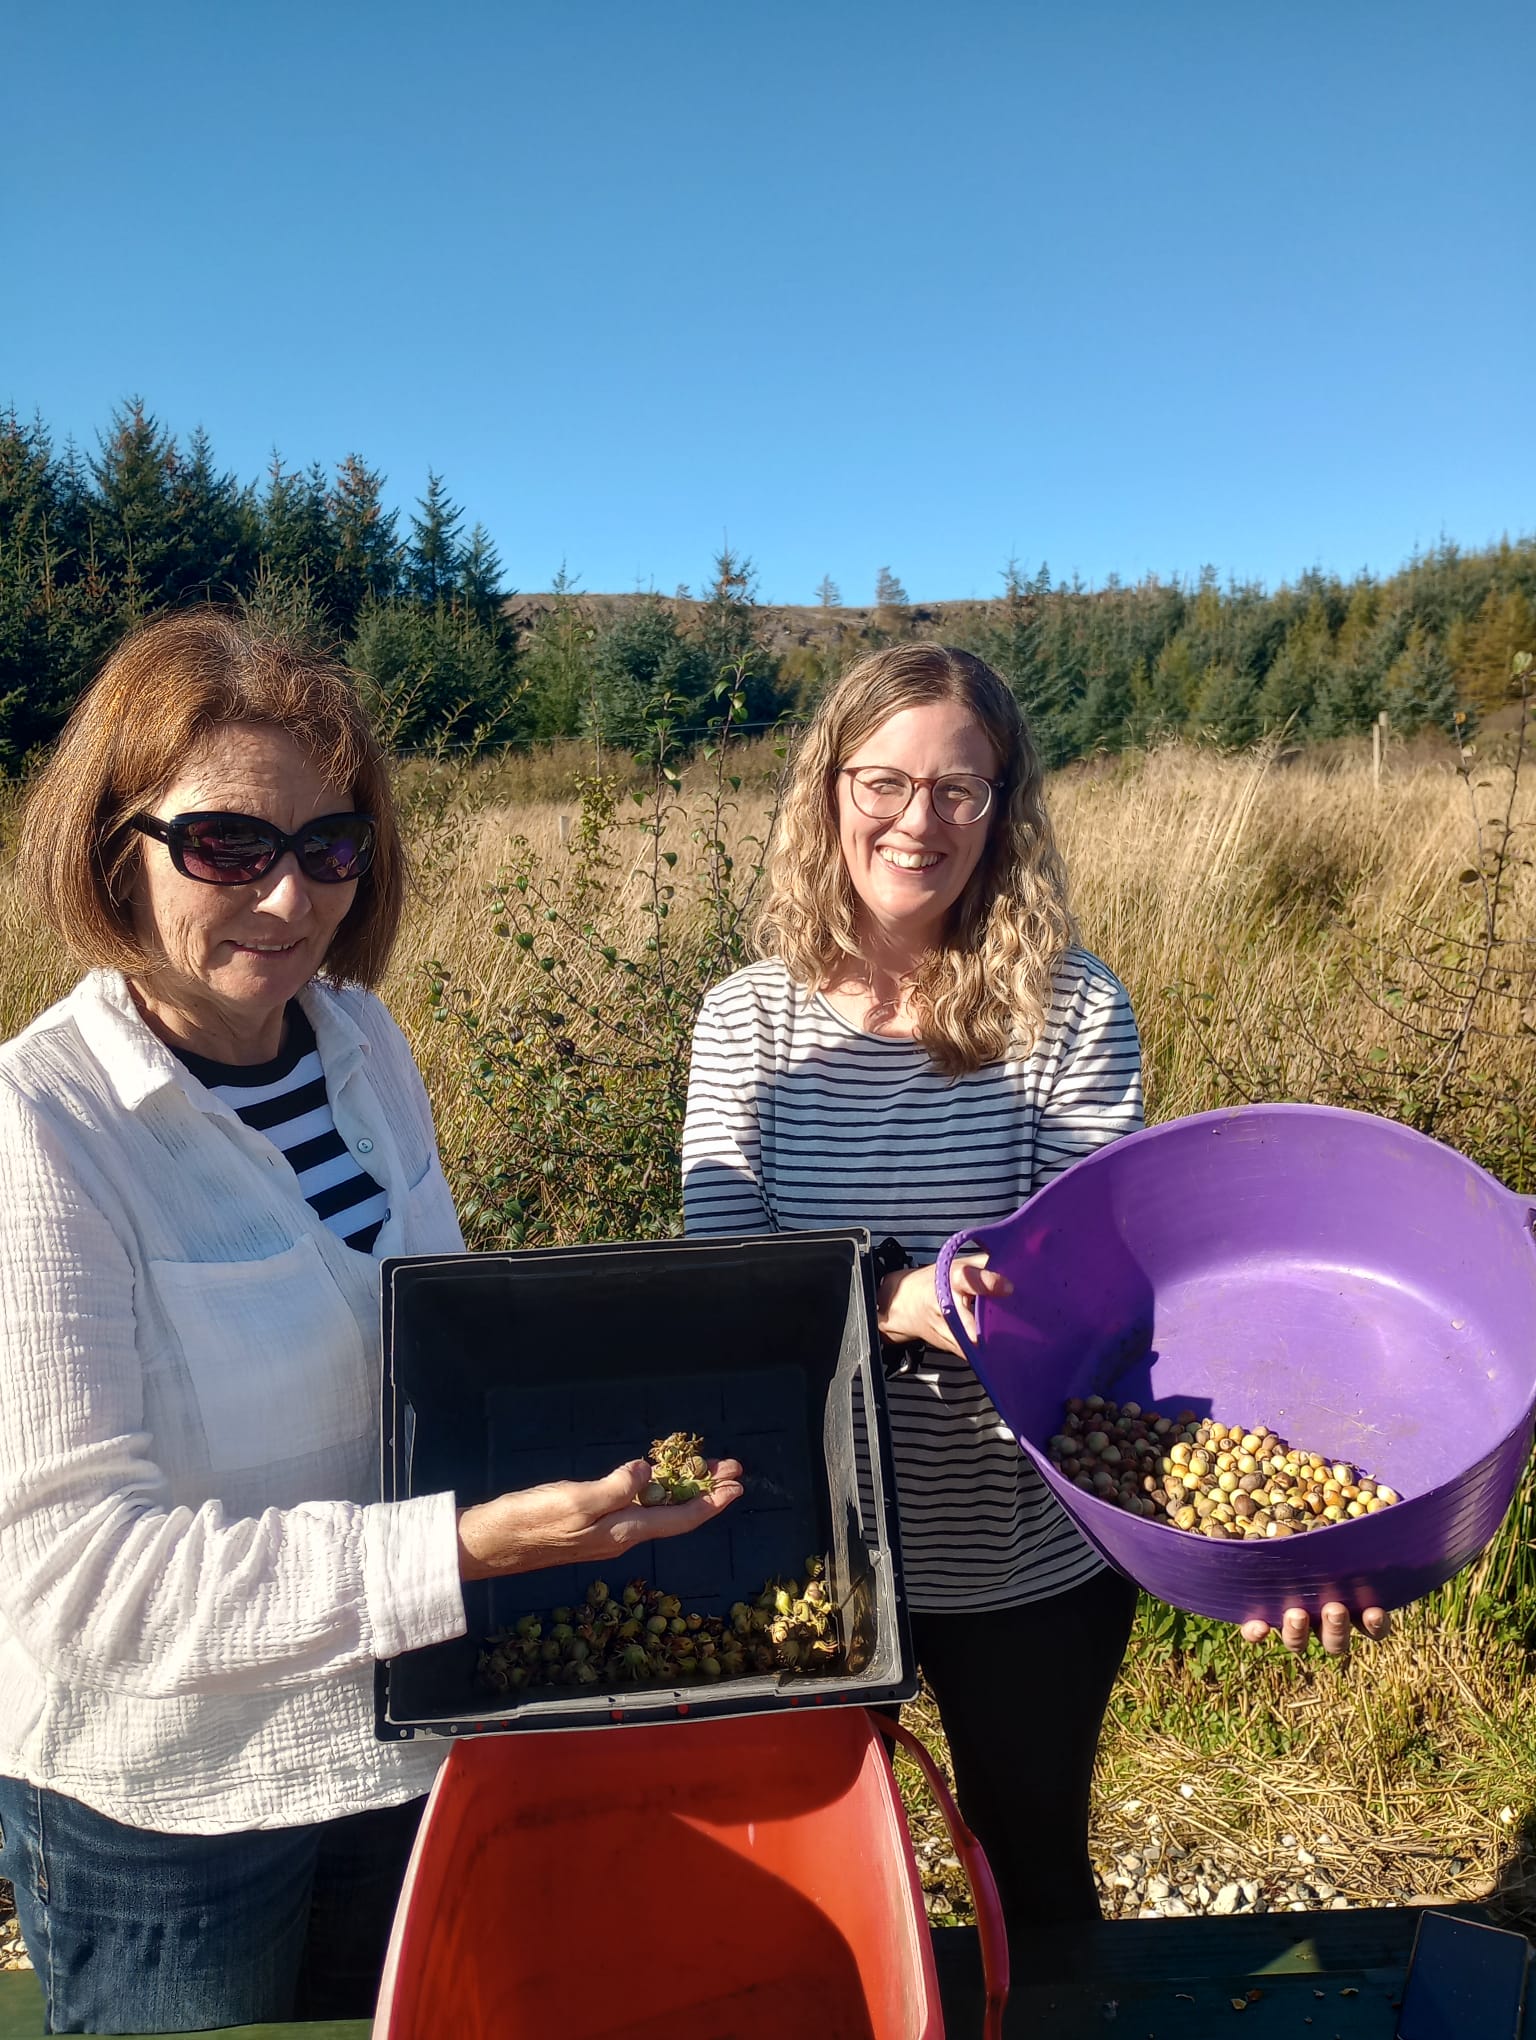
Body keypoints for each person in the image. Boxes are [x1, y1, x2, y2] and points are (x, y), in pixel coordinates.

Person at [0, 609, 741, 2037]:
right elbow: (74, 1581)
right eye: (227, 846)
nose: (289, 899)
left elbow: (421, 1343)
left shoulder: (360, 1041)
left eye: (330, 846)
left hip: (402, 1742)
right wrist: (461, 1550)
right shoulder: (46, 1126)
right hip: (178, 1811)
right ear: (113, 843)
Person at [681, 643, 1381, 1948]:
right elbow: (724, 1289)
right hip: (820, 1542)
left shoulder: (1069, 1009)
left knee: (1037, 1860)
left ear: (1004, 807)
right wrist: (890, 1292)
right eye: (883, 781)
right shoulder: (746, 1023)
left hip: (1023, 1546)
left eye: (961, 788)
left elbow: (1081, 1292)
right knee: (821, 1884)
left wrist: (1276, 1536)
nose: (918, 820)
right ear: (827, 790)